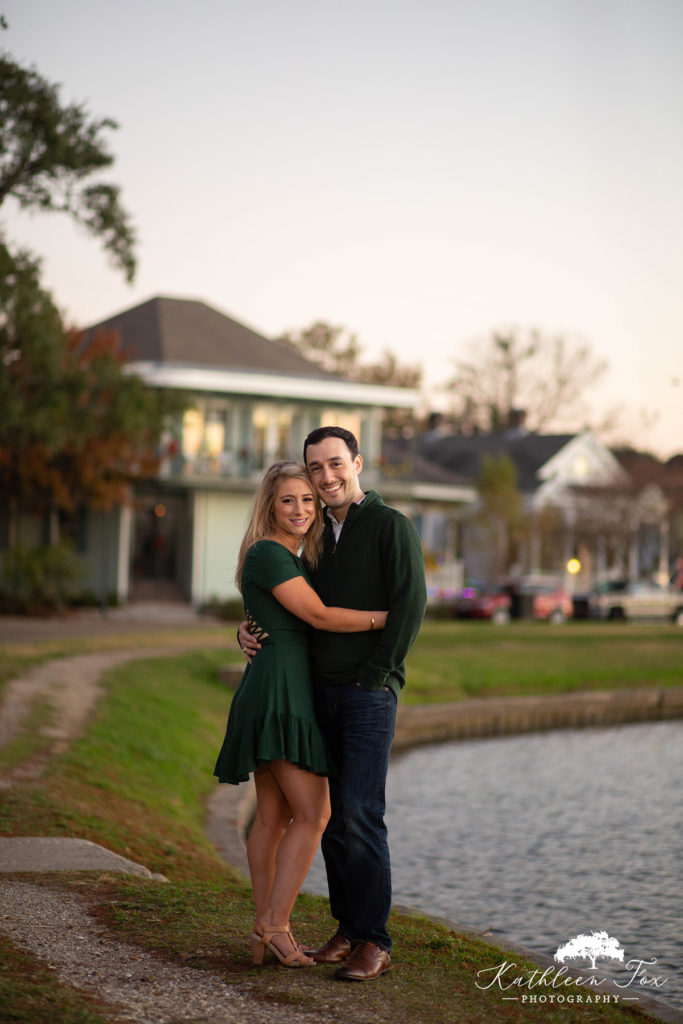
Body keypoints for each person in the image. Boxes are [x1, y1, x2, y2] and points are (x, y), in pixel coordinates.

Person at [239, 427, 427, 981]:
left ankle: (374, 939)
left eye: (334, 464)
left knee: (361, 814)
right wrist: (246, 633)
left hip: (367, 694)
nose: (325, 477)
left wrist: (375, 676)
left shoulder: (392, 527)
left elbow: (410, 605)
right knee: (335, 819)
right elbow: (287, 605)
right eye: (315, 468)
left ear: (357, 463)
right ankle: (347, 929)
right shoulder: (316, 536)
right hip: (314, 694)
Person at [214, 460, 388, 969]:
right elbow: (318, 617)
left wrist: (242, 631)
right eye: (289, 499)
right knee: (316, 814)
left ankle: (265, 928)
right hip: (278, 694)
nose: (301, 509)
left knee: (273, 816)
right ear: (270, 504)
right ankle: (275, 924)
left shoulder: (287, 557)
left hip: (276, 685)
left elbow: (267, 617)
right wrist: (389, 617)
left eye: (308, 500)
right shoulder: (269, 553)